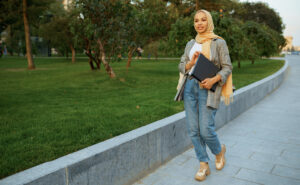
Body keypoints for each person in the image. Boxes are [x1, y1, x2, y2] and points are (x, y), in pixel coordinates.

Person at [175, 9, 233, 181]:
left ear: (209, 21)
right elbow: (181, 65)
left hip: (208, 88)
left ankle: (218, 151)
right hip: (190, 87)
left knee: (206, 129)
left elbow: (227, 67)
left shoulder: (218, 42)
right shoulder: (190, 44)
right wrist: (190, 63)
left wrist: (214, 79)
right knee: (193, 130)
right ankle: (203, 164)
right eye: (196, 20)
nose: (199, 23)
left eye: (203, 20)